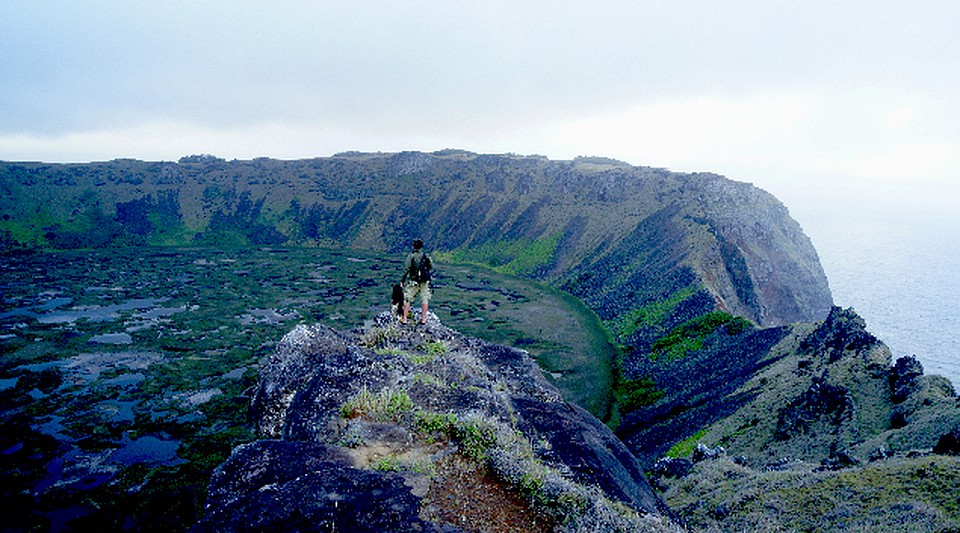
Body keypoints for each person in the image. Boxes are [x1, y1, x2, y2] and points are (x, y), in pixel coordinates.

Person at [401, 239, 432, 324]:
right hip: (424, 281)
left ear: (414, 246)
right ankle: (423, 319)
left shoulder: (411, 256)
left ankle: (404, 319)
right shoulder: (426, 256)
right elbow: (430, 266)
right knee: (424, 298)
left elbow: (406, 269)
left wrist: (402, 281)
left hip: (414, 281)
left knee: (407, 298)